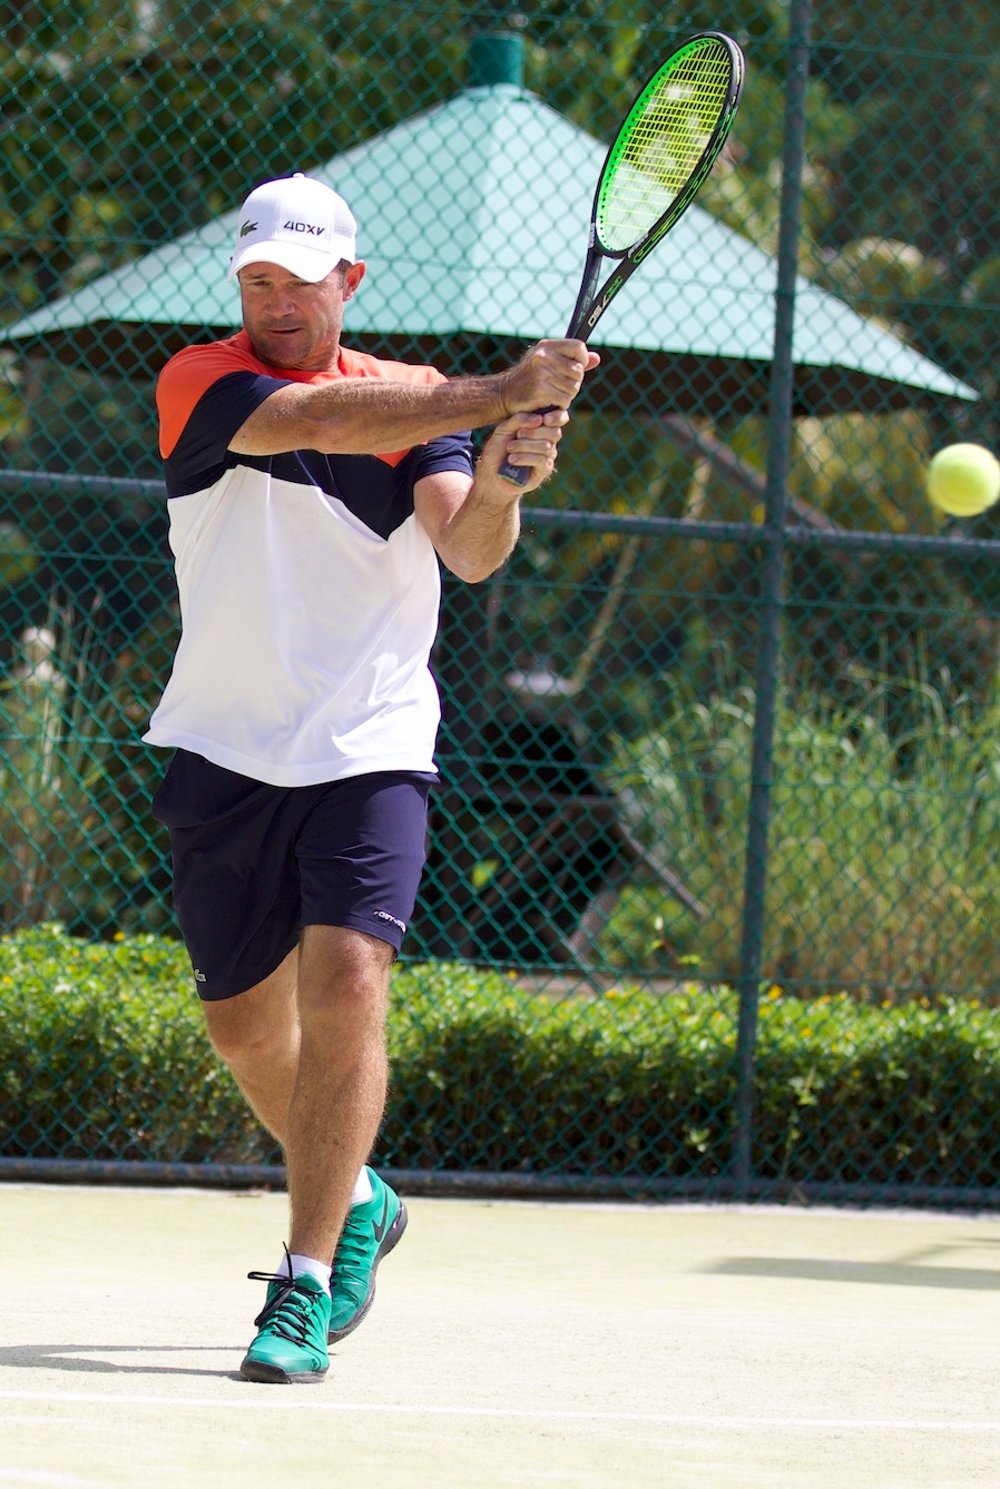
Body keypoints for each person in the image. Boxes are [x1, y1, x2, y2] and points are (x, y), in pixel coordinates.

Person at [145, 172, 598, 1385]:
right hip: (224, 745)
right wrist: (507, 387)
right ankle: (360, 1195)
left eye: (299, 281)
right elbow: (309, 424)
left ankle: (300, 1283)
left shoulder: (419, 409)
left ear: (348, 281)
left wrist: (503, 470)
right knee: (246, 1031)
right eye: (256, 280)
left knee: (346, 976)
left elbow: (468, 549)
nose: (276, 301)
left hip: (371, 744)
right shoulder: (203, 381)